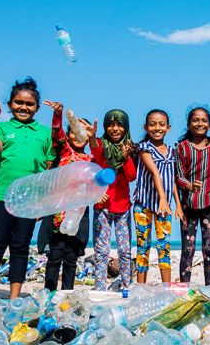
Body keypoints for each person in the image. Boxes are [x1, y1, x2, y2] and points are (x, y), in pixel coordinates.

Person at [0, 78, 53, 304]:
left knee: (21, 246)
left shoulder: (44, 132)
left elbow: (48, 167)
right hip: (0, 194)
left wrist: (43, 201)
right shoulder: (2, 127)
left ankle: (14, 299)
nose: (23, 107)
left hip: (29, 199)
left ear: (37, 108)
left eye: (29, 104)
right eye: (18, 103)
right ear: (10, 104)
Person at [41, 101, 94, 292]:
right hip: (58, 216)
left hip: (78, 218)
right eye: (74, 131)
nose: (78, 135)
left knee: (71, 260)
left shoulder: (91, 159)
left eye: (83, 132)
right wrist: (58, 114)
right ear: (69, 135)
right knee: (54, 257)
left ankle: (67, 295)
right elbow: (57, 134)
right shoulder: (64, 152)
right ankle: (49, 294)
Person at [174, 106, 210, 285]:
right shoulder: (181, 147)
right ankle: (184, 287)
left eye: (204, 120)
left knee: (209, 249)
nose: (200, 123)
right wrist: (189, 185)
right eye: (195, 120)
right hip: (188, 206)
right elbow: (178, 176)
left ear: (209, 125)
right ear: (188, 124)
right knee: (187, 250)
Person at [87, 109, 137, 289]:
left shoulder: (130, 147)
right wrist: (92, 137)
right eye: (110, 124)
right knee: (101, 251)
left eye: (119, 125)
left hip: (123, 208)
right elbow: (96, 151)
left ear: (126, 127)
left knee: (124, 251)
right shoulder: (101, 145)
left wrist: (126, 158)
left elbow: (131, 176)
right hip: (102, 206)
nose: (115, 129)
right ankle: (100, 287)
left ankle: (126, 285)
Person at [133, 110, 177, 284]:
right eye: (152, 124)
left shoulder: (172, 151)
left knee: (164, 247)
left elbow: (172, 179)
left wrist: (177, 205)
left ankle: (166, 286)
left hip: (164, 207)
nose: (157, 128)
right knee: (143, 247)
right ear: (146, 127)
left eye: (161, 124)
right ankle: (140, 287)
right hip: (143, 204)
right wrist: (163, 199)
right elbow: (155, 172)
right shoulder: (144, 148)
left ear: (168, 128)